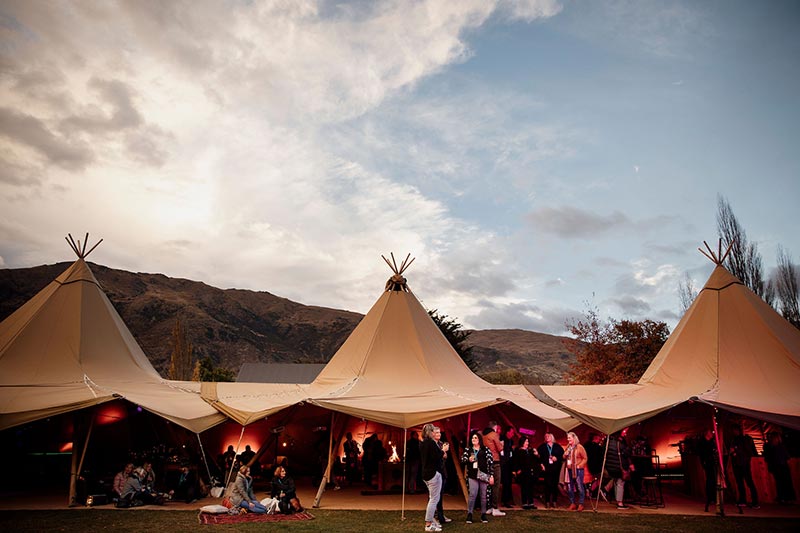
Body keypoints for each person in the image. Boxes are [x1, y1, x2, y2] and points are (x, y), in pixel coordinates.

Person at [462, 430, 494, 524]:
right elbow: (463, 460)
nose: (473, 439)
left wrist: (491, 476)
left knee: (483, 496)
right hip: (472, 475)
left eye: (475, 438)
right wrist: (468, 459)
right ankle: (470, 514)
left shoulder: (486, 449)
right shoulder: (468, 450)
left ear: (479, 439)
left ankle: (483, 514)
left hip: (484, 476)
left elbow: (491, 463)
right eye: (472, 438)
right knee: (472, 495)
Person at [729, 425, 759, 509]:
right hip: (737, 464)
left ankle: (755, 502)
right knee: (740, 483)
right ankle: (742, 500)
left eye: (735, 430)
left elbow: (748, 451)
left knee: (749, 482)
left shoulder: (745, 439)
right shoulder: (734, 439)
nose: (733, 432)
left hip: (744, 463)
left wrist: (736, 451)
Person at [421, 423, 443, 532]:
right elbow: (437, 457)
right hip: (432, 473)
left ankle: (432, 521)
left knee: (433, 498)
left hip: (425, 473)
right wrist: (443, 451)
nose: (435, 432)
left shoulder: (422, 443)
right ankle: (428, 524)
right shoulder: (431, 443)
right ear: (430, 432)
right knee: (434, 499)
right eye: (433, 430)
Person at [763, 432, 796, 504]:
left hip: (780, 466)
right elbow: (787, 457)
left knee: (782, 483)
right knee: (783, 483)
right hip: (780, 466)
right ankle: (785, 498)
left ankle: (785, 498)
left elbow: (769, 458)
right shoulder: (775, 447)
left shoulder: (776, 447)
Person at [603, 431, 633, 510]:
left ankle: (608, 491)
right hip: (619, 467)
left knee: (616, 482)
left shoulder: (608, 441)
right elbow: (627, 453)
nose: (625, 433)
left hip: (611, 467)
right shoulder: (619, 442)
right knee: (620, 484)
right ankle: (620, 503)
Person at [482, 421, 505, 516]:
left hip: (486, 461)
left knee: (488, 486)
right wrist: (502, 444)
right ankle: (495, 508)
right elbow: (499, 448)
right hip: (495, 461)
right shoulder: (494, 435)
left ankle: (489, 507)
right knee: (496, 484)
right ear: (495, 427)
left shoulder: (483, 435)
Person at [537, 432, 564, 509]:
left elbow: (562, 456)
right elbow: (538, 457)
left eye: (548, 436)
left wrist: (557, 458)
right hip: (547, 468)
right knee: (547, 485)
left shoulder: (557, 446)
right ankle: (547, 501)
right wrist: (541, 464)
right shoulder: (542, 447)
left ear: (552, 437)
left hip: (555, 468)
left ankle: (554, 501)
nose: (546, 437)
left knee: (555, 485)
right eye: (545, 436)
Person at [512, 435, 539, 509]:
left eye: (527, 441)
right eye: (526, 441)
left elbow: (535, 460)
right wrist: (517, 470)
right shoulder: (518, 451)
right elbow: (516, 461)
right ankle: (524, 503)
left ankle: (531, 503)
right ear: (522, 442)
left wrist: (536, 455)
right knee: (524, 487)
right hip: (523, 472)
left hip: (530, 472)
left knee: (531, 487)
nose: (527, 443)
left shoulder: (530, 451)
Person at [433, 427, 452, 525]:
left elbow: (445, 457)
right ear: (432, 434)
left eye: (439, 432)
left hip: (442, 472)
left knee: (440, 496)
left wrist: (444, 452)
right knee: (433, 496)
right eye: (437, 432)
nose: (439, 434)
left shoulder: (441, 443)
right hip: (434, 473)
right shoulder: (432, 445)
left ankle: (440, 515)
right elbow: (436, 458)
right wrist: (442, 452)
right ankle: (433, 516)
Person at [564, 431, 587, 511]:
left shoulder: (579, 447)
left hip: (578, 470)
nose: (568, 439)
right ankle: (572, 503)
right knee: (570, 487)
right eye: (568, 438)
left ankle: (581, 504)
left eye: (569, 438)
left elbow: (585, 458)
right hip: (570, 469)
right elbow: (564, 456)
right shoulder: (568, 447)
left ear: (574, 438)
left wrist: (579, 465)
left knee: (580, 486)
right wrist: (565, 454)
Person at [697, 429, 718, 513]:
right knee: (710, 480)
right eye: (710, 432)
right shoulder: (703, 442)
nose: (712, 434)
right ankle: (710, 497)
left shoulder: (712, 442)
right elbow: (702, 453)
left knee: (713, 479)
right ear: (707, 434)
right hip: (708, 463)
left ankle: (714, 497)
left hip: (712, 462)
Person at [500, 426, 517, 508]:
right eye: (512, 432)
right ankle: (504, 500)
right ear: (507, 432)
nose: (513, 434)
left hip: (509, 463)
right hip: (504, 463)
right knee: (505, 482)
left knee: (509, 483)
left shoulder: (511, 441)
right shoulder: (502, 439)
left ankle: (509, 499)